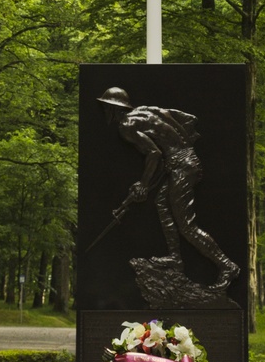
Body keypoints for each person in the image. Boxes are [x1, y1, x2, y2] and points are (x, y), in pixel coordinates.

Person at [97, 86, 240, 291]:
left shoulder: (126, 125)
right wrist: (181, 148)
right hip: (183, 162)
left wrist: (143, 185)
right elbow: (190, 119)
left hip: (182, 166)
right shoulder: (147, 110)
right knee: (161, 204)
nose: (104, 112)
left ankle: (227, 266)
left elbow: (153, 154)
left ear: (112, 109)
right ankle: (175, 257)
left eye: (105, 107)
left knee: (187, 226)